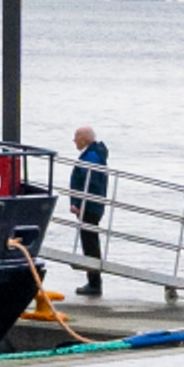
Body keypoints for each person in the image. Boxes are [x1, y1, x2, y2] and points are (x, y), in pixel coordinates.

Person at [68, 124, 112, 296]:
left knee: (90, 243)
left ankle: (94, 283)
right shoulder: (95, 153)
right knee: (90, 241)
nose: (74, 141)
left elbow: (89, 179)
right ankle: (94, 281)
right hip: (93, 204)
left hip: (90, 205)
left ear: (84, 139)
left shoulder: (91, 155)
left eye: (76, 137)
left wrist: (79, 202)